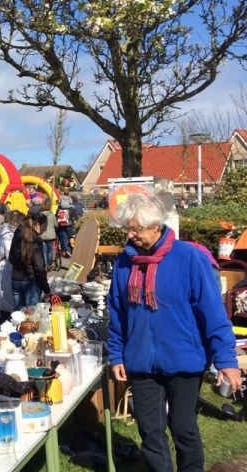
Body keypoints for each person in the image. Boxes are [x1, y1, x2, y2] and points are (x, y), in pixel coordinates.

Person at [107, 195, 241, 472]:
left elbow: (213, 311)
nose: (130, 235)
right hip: (141, 362)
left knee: (184, 429)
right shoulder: (124, 263)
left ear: (155, 226)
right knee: (150, 432)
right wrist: (117, 353)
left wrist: (226, 360)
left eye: (136, 229)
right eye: (127, 229)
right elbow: (118, 312)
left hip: (184, 360)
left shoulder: (189, 257)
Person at [0, 210, 25, 321]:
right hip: (5, 271)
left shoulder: (3, 232)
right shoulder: (9, 237)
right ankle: (4, 322)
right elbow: (12, 258)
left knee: (1, 298)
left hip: (0, 269)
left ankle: (0, 318)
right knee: (6, 300)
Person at [9, 213, 49, 309]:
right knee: (31, 318)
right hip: (31, 282)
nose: (46, 229)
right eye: (45, 226)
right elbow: (38, 266)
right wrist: (46, 288)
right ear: (38, 225)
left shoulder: (17, 235)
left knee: (18, 316)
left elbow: (11, 258)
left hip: (16, 280)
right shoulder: (35, 239)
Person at [40, 199, 58, 270]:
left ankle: (44, 265)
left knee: (44, 251)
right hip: (51, 235)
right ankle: (49, 265)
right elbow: (56, 225)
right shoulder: (52, 215)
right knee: (50, 251)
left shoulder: (40, 215)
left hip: (42, 235)